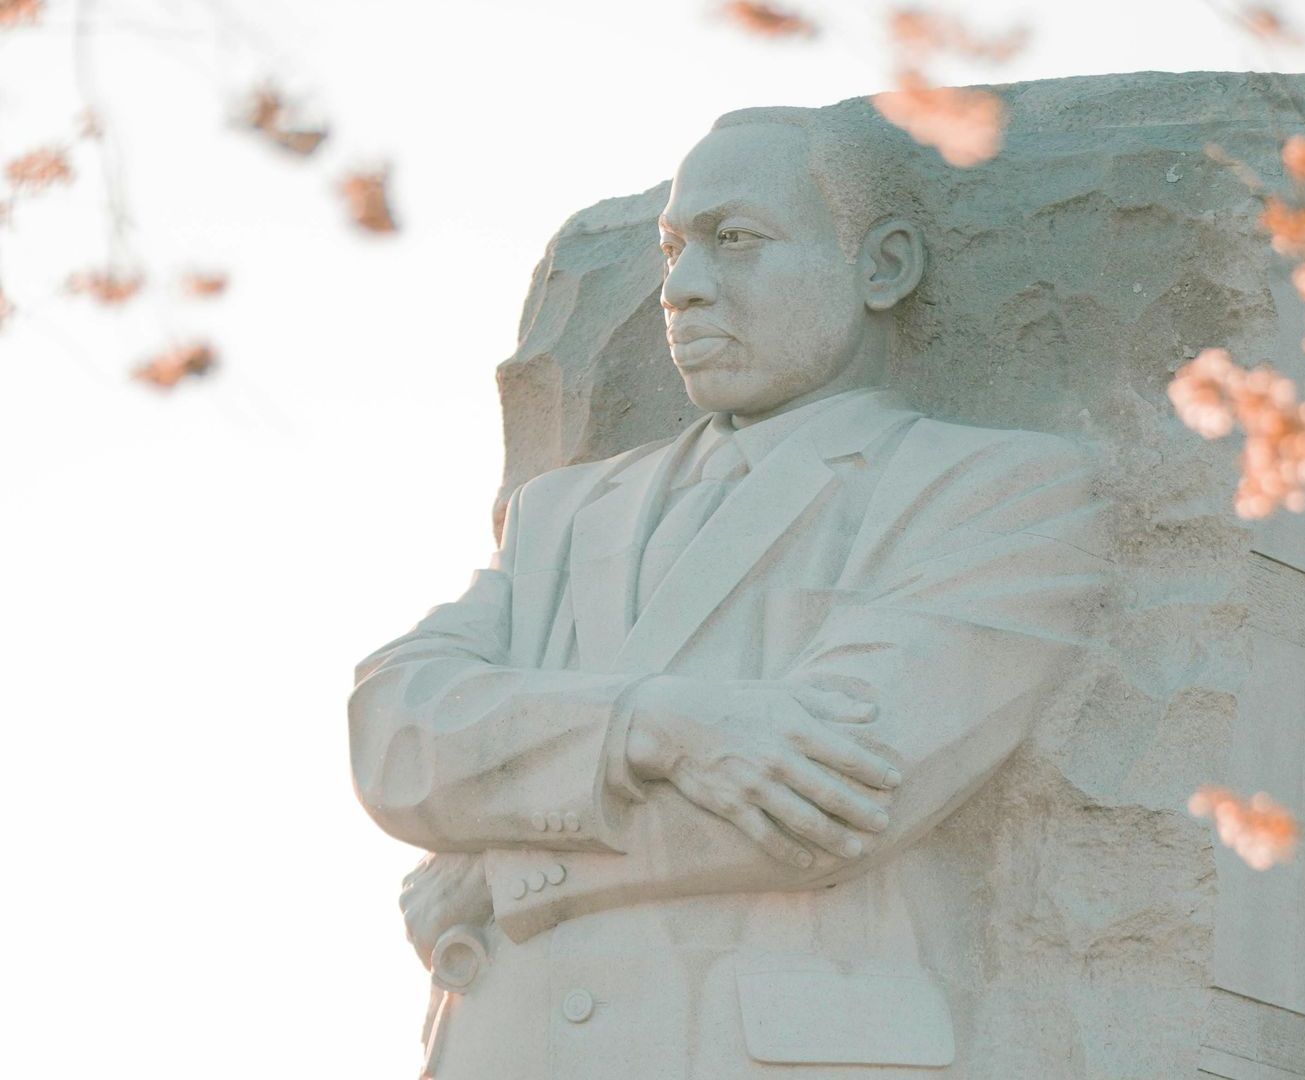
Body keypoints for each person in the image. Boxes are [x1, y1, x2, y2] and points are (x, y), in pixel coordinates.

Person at [349, 105, 1111, 1078]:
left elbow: (841, 794)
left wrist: (498, 862)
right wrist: (659, 725)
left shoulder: (991, 490)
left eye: (735, 242)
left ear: (883, 268)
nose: (684, 290)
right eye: (672, 250)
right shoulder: (559, 515)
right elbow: (393, 732)